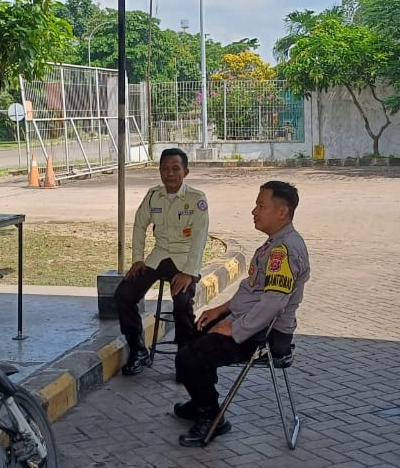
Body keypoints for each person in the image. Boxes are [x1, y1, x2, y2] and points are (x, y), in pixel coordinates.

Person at [172, 180, 309, 447]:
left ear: (282, 212)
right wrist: (222, 310)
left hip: (267, 335)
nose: (254, 211)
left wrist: (234, 328)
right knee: (194, 331)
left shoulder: (284, 251)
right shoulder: (274, 244)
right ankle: (202, 401)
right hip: (254, 323)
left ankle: (212, 417)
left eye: (261, 206)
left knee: (190, 357)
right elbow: (252, 291)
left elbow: (272, 304)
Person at [114, 148, 211, 376]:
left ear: (185, 172)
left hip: (184, 259)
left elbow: (199, 238)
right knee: (124, 294)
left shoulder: (197, 199)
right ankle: (138, 350)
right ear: (159, 171)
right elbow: (139, 226)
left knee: (182, 304)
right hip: (158, 257)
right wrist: (138, 259)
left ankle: (185, 359)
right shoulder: (153, 195)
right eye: (165, 168)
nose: (170, 173)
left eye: (175, 168)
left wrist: (189, 272)